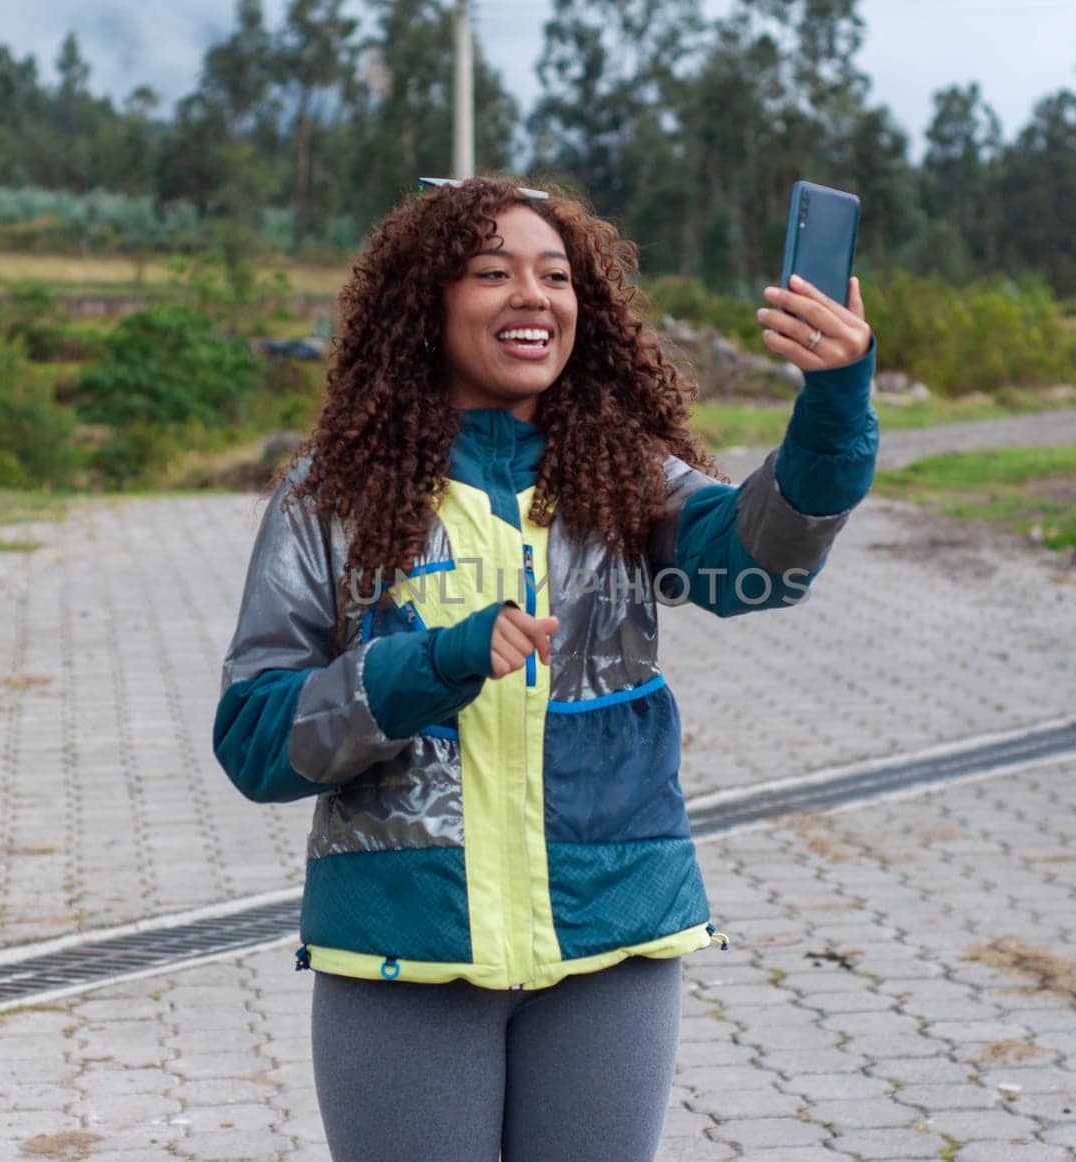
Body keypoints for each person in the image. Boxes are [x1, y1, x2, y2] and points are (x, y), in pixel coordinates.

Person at [213, 176, 877, 1161]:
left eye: (555, 276)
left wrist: (833, 403)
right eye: (493, 273)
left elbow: (759, 565)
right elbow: (258, 740)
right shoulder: (329, 499)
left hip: (613, 928)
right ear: (423, 307)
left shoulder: (623, 473)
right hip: (407, 944)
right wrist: (425, 664)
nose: (534, 297)